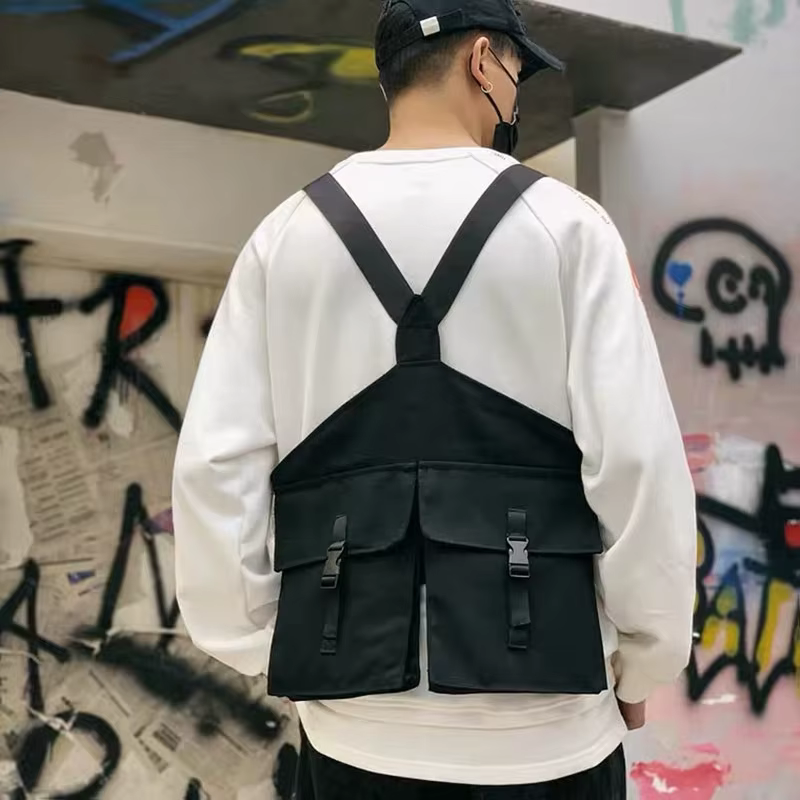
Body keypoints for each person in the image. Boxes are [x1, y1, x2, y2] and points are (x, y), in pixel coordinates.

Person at [172, 0, 697, 797]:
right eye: (517, 73)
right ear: (482, 60)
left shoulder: (285, 236)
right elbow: (637, 465)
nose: (516, 97)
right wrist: (643, 661)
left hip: (354, 735)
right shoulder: (567, 226)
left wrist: (268, 645)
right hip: (551, 731)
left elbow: (217, 468)